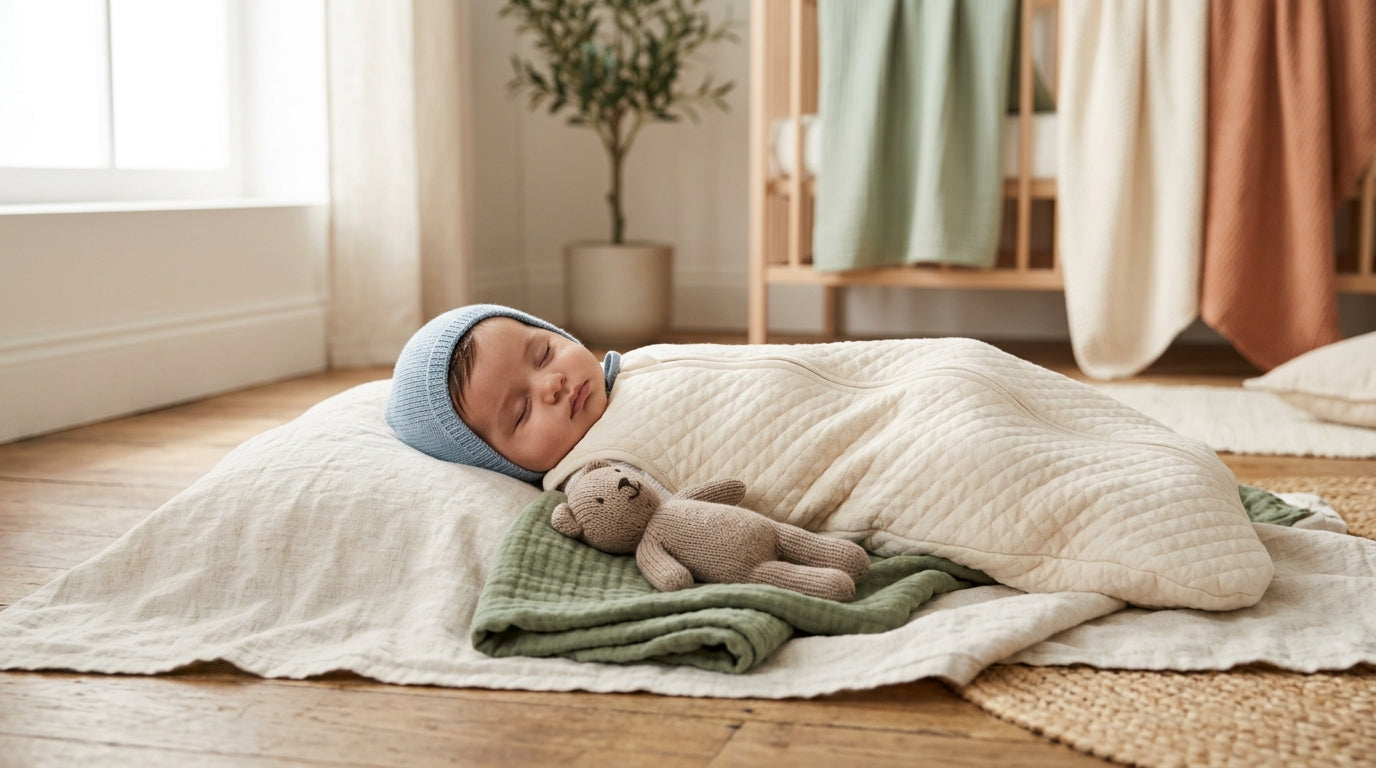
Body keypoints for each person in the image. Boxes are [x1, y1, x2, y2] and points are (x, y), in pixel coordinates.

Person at [386, 303, 1274, 611]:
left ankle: (1158, 455)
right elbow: (656, 526)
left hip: (897, 376)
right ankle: (1161, 526)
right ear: (500, 461)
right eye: (518, 412)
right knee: (972, 455)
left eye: (543, 353)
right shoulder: (594, 477)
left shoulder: (634, 366)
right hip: (874, 449)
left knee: (965, 365)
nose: (551, 386)